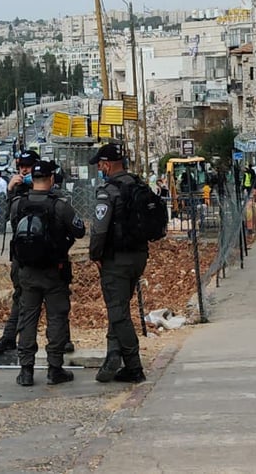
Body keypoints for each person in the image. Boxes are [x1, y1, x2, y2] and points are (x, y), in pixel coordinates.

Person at [8, 160, 85, 386]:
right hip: (54, 272)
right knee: (56, 318)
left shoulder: (18, 204)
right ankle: (54, 368)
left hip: (27, 272)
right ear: (51, 179)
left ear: (32, 178)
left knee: (27, 318)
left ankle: (26, 370)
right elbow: (79, 230)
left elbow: (14, 229)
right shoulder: (59, 205)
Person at [88, 143, 149, 384]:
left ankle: (134, 366)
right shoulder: (138, 184)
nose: (100, 168)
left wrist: (95, 255)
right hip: (139, 256)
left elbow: (99, 229)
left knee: (118, 311)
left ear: (108, 163)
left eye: (101, 164)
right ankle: (113, 355)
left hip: (116, 260)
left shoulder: (108, 191)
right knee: (121, 306)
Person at [0, 150, 41, 355]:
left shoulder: (46, 187)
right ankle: (10, 337)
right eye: (21, 167)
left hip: (46, 255)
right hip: (22, 255)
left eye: (27, 167)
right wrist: (11, 191)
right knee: (20, 297)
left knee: (55, 301)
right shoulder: (17, 191)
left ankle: (63, 341)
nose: (23, 171)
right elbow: (10, 219)